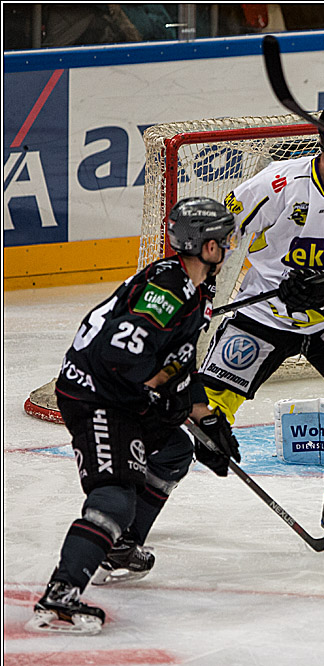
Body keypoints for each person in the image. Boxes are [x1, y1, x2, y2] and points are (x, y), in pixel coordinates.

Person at [197, 100, 324, 558]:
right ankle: (133, 505)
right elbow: (217, 241)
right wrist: (199, 298)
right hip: (265, 314)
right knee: (201, 418)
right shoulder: (276, 184)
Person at [27, 197, 242, 634]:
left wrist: (206, 419)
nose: (230, 245)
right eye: (225, 239)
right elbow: (120, 356)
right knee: (114, 497)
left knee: (177, 450)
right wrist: (164, 400)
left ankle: (120, 548)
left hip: (121, 394)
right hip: (96, 397)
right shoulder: (168, 288)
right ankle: (60, 596)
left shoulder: (193, 288)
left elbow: (177, 364)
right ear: (208, 247)